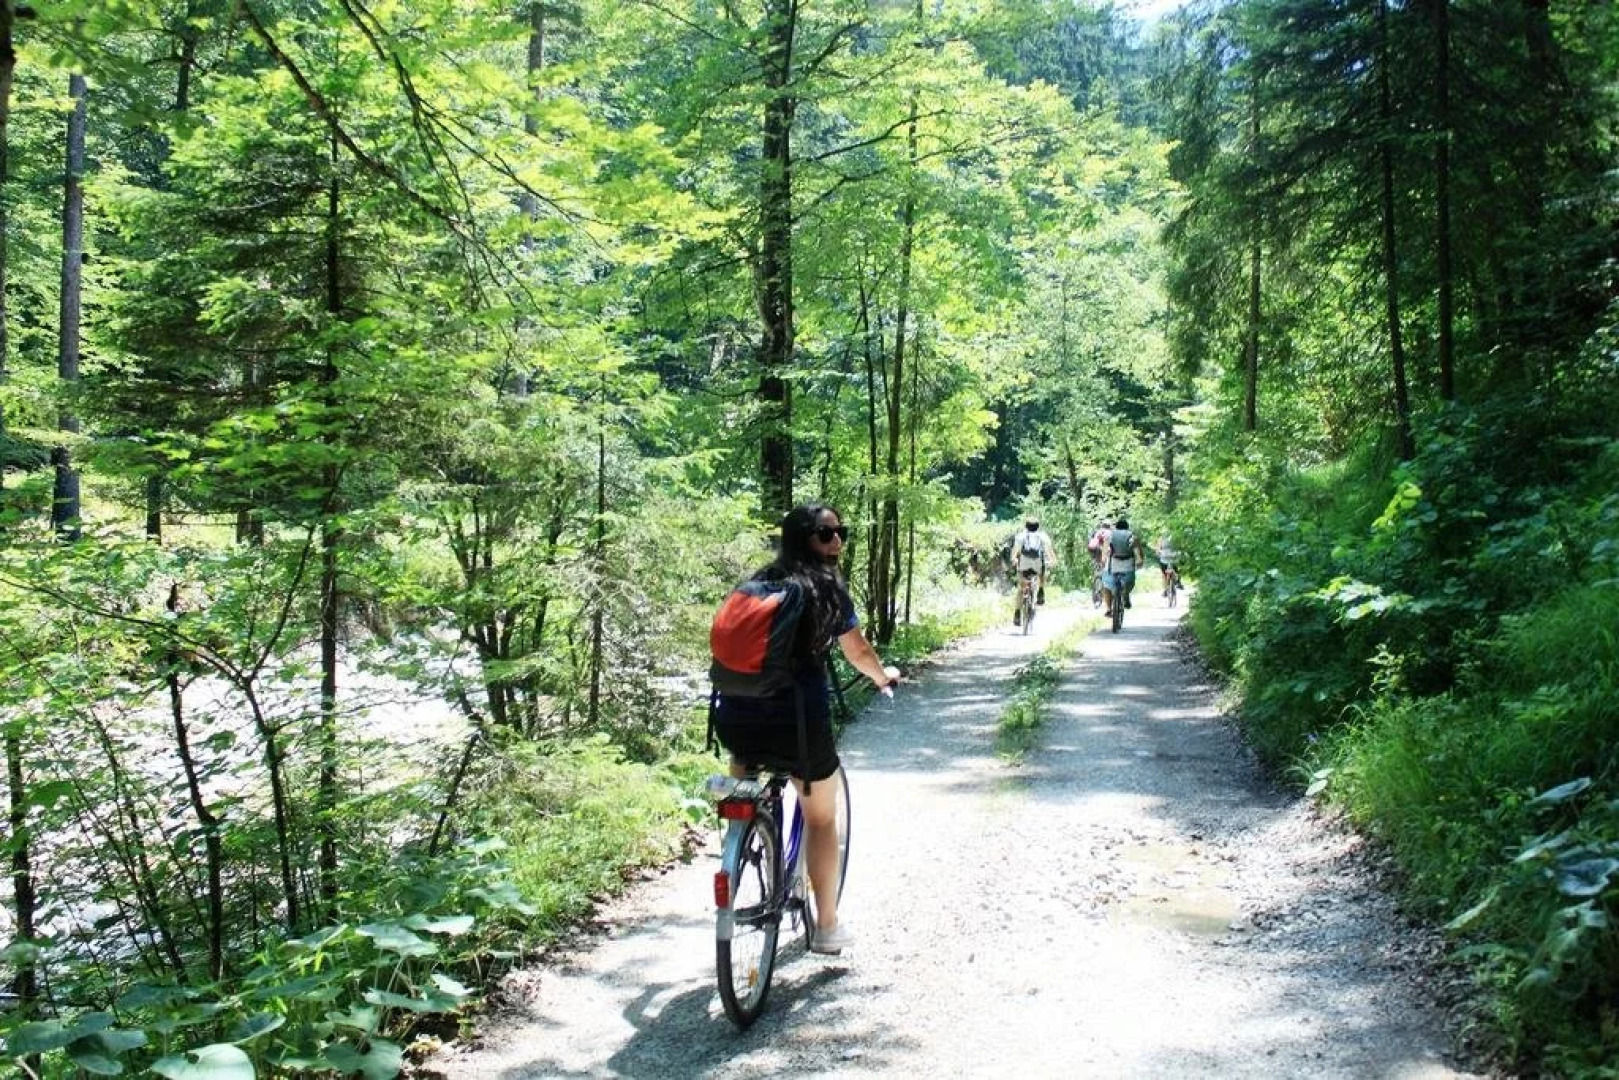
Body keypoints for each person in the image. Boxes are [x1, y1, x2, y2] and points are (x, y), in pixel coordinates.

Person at [712, 504, 897, 954]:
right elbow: (857, 651)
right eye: (825, 533)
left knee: (746, 790)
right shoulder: (824, 590)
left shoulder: (754, 585)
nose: (836, 541)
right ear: (804, 538)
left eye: (840, 533)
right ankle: (828, 928)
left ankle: (742, 853)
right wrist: (882, 677)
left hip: (735, 720)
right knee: (821, 818)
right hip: (796, 724)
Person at [1009, 516, 1057, 624]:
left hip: (1024, 563)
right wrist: (1053, 561)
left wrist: (1013, 560)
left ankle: (1017, 613)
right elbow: (1049, 550)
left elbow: (1015, 550)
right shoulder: (1042, 536)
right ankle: (1041, 591)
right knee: (1042, 571)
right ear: (1038, 527)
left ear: (1026, 526)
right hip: (1037, 563)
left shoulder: (1021, 536)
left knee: (1021, 588)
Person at [1100, 516, 1144, 618]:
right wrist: (1140, 561)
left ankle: (1109, 609)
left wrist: (1103, 561)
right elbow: (1139, 552)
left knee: (1106, 586)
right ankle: (1125, 595)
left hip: (1112, 563)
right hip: (1128, 563)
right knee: (1129, 582)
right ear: (1127, 527)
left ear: (1117, 527)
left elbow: (1105, 551)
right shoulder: (1132, 536)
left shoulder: (1110, 535)